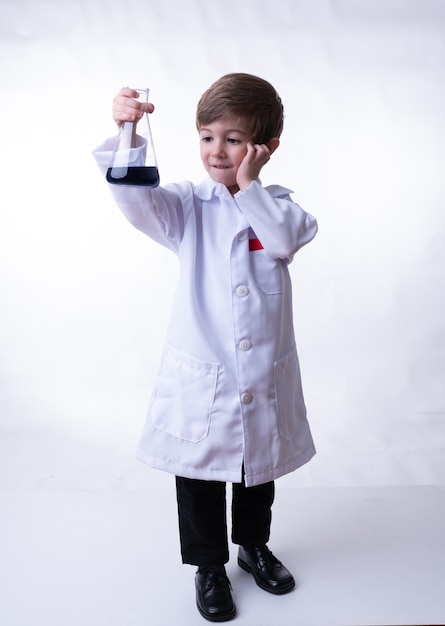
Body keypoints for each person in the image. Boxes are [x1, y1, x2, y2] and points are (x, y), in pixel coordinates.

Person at [93, 73, 318, 622]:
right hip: (204, 378)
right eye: (208, 137)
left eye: (235, 139)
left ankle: (252, 546)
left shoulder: (282, 209)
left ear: (266, 148)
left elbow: (285, 241)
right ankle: (208, 566)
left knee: (256, 472)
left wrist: (249, 185)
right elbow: (134, 197)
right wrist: (126, 131)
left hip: (261, 375)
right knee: (197, 478)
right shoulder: (187, 208)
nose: (218, 151)